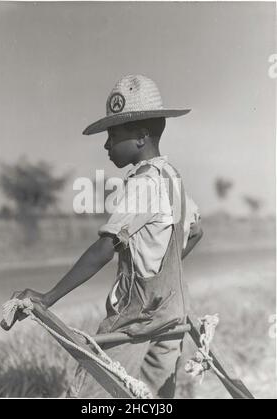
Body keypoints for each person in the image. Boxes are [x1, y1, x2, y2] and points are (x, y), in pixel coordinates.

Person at [14, 74, 203, 398]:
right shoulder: (171, 176)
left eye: (113, 135)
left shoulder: (142, 184)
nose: (106, 145)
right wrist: (162, 270)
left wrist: (47, 298)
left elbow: (104, 249)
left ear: (141, 136)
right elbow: (197, 230)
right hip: (173, 315)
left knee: (92, 391)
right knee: (156, 398)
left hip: (136, 319)